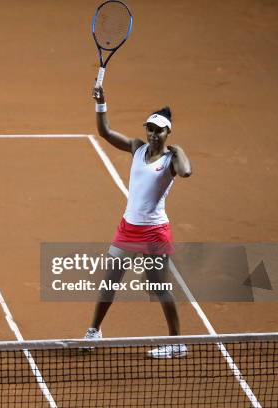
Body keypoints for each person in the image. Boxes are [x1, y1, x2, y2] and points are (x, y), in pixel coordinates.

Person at [84, 85, 192, 359]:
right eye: (151, 129)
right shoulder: (137, 148)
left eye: (159, 130)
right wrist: (101, 103)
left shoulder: (170, 160)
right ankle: (94, 331)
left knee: (158, 288)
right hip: (128, 228)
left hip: (154, 233)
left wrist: (178, 151)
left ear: (168, 133)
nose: (153, 134)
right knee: (109, 282)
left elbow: (186, 172)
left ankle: (177, 342)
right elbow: (105, 132)